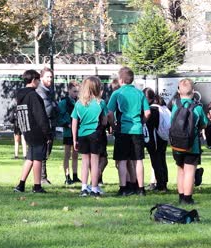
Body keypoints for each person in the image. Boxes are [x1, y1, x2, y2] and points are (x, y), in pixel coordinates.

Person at [107, 67, 150, 196]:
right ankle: (141, 189)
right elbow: (147, 112)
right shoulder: (140, 93)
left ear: (120, 80)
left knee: (122, 160)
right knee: (138, 160)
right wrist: (141, 122)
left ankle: (123, 188)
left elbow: (109, 113)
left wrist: (113, 126)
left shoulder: (117, 94)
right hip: (137, 129)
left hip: (123, 129)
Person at [13, 70, 52, 193]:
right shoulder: (33, 96)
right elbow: (41, 116)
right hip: (37, 130)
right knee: (38, 158)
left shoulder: (20, 96)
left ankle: (21, 185)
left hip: (26, 129)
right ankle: (37, 186)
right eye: (38, 80)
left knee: (30, 157)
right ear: (34, 80)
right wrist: (48, 133)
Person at [171, 79, 208, 204]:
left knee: (180, 170)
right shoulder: (197, 108)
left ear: (178, 91)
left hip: (176, 145)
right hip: (192, 145)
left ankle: (181, 196)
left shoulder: (176, 105)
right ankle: (188, 198)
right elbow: (204, 124)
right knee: (190, 171)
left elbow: (172, 123)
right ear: (193, 92)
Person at [71, 76, 107, 197]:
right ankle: (94, 188)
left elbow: (74, 123)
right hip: (95, 134)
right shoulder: (100, 103)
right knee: (95, 162)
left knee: (85, 162)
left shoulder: (78, 103)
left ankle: (84, 187)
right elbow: (105, 121)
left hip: (82, 134)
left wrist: (74, 139)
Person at [36, 67, 60, 185]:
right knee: (43, 151)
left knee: (46, 151)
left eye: (51, 77)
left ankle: (42, 177)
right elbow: (49, 110)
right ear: (41, 78)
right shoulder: (41, 91)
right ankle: (42, 177)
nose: (50, 79)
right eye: (47, 76)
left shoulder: (50, 91)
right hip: (43, 126)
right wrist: (55, 106)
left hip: (50, 125)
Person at [143, 88, 169, 192]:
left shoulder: (153, 110)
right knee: (162, 159)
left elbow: (150, 125)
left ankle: (161, 185)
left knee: (156, 160)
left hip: (155, 139)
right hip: (163, 138)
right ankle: (163, 183)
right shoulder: (162, 107)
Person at [58, 81, 80, 185]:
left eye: (77, 92)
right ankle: (67, 177)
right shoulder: (63, 103)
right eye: (74, 91)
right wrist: (67, 124)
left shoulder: (79, 102)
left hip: (78, 132)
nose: (76, 94)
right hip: (68, 132)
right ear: (69, 90)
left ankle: (75, 176)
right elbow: (59, 117)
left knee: (75, 154)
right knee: (67, 155)